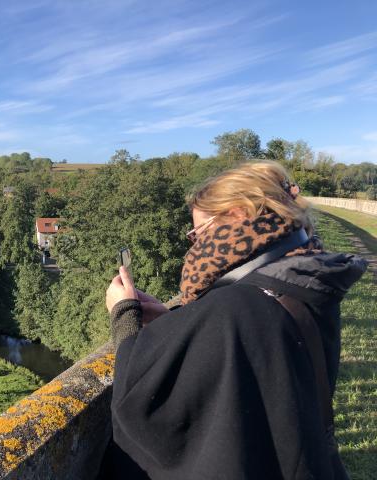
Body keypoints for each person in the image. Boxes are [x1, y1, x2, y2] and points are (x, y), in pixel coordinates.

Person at [104, 161, 367, 480]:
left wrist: (123, 315)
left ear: (239, 214)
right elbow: (238, 346)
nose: (195, 245)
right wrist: (176, 321)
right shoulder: (301, 279)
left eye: (199, 231)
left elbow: (144, 400)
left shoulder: (237, 307)